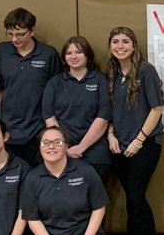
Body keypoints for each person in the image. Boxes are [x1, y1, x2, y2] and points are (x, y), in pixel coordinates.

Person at [106, 27, 164, 235]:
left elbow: (157, 109)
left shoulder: (145, 71)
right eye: (115, 41)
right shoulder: (111, 74)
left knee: (136, 198)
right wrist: (110, 135)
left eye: (125, 41)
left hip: (145, 144)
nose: (120, 46)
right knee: (130, 202)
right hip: (118, 145)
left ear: (134, 45)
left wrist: (139, 141)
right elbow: (109, 112)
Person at [22, 125, 108, 235]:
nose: (51, 147)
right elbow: (32, 219)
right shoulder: (32, 178)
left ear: (67, 146)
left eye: (57, 142)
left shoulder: (85, 171)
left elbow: (99, 208)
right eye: (46, 143)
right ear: (40, 148)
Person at [0, 8, 61, 165]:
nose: (14, 39)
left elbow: (57, 92)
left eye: (20, 34)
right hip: (9, 130)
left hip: (38, 129)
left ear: (32, 31)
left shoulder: (48, 54)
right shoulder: (1, 52)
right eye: (10, 34)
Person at [41, 36, 112, 182]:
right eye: (69, 53)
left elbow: (103, 117)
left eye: (79, 52)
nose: (73, 56)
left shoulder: (100, 80)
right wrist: (63, 147)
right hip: (64, 152)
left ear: (87, 55)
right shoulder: (55, 82)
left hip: (96, 153)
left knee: (93, 199)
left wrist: (81, 147)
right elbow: (49, 117)